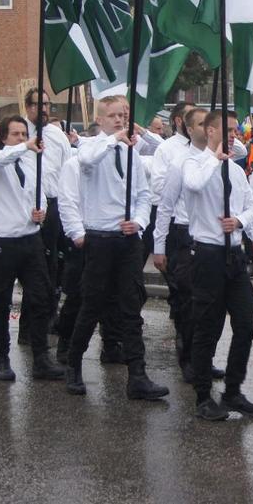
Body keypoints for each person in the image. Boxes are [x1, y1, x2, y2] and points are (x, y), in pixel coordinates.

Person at [64, 96, 168, 401]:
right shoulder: (90, 146)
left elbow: (143, 194)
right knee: (91, 304)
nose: (120, 120)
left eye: (124, 115)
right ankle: (73, 364)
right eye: (113, 116)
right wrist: (113, 140)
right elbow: (87, 160)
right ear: (100, 120)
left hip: (126, 241)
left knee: (131, 307)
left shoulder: (131, 153)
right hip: (99, 238)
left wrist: (137, 221)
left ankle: (138, 375)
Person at [184, 110, 253, 420]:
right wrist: (213, 159)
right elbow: (193, 185)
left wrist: (240, 221)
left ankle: (233, 390)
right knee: (207, 328)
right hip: (207, 255)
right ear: (210, 130)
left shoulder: (233, 168)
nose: (234, 134)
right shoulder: (195, 162)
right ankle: (203, 395)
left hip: (234, 255)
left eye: (235, 129)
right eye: (227, 129)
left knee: (245, 324)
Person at [0, 116, 64, 382]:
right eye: (15, 134)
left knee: (40, 299)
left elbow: (39, 193)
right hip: (4, 241)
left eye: (23, 133)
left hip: (31, 240)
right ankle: (2, 357)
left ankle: (41, 358)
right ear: (4, 138)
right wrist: (24, 146)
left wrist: (41, 211)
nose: (20, 137)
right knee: (2, 302)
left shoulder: (31, 162)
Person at [53, 155, 122, 365]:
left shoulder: (121, 162)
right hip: (85, 237)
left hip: (111, 236)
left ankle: (110, 344)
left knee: (113, 294)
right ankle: (66, 342)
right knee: (78, 295)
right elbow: (67, 200)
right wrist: (77, 233)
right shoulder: (74, 165)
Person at [23, 89, 75, 340]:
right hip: (28, 207)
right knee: (31, 268)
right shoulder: (20, 132)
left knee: (52, 264)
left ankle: (49, 317)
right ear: (27, 107)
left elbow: (67, 170)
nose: (43, 109)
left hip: (54, 206)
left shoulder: (57, 136)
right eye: (37, 104)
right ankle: (28, 326)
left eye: (46, 104)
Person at [148, 101, 196, 349]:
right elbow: (158, 189)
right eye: (193, 120)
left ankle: (199, 350)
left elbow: (240, 149)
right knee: (181, 286)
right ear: (180, 121)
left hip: (204, 228)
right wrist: (182, 181)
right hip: (178, 224)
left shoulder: (209, 150)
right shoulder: (167, 149)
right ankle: (183, 340)